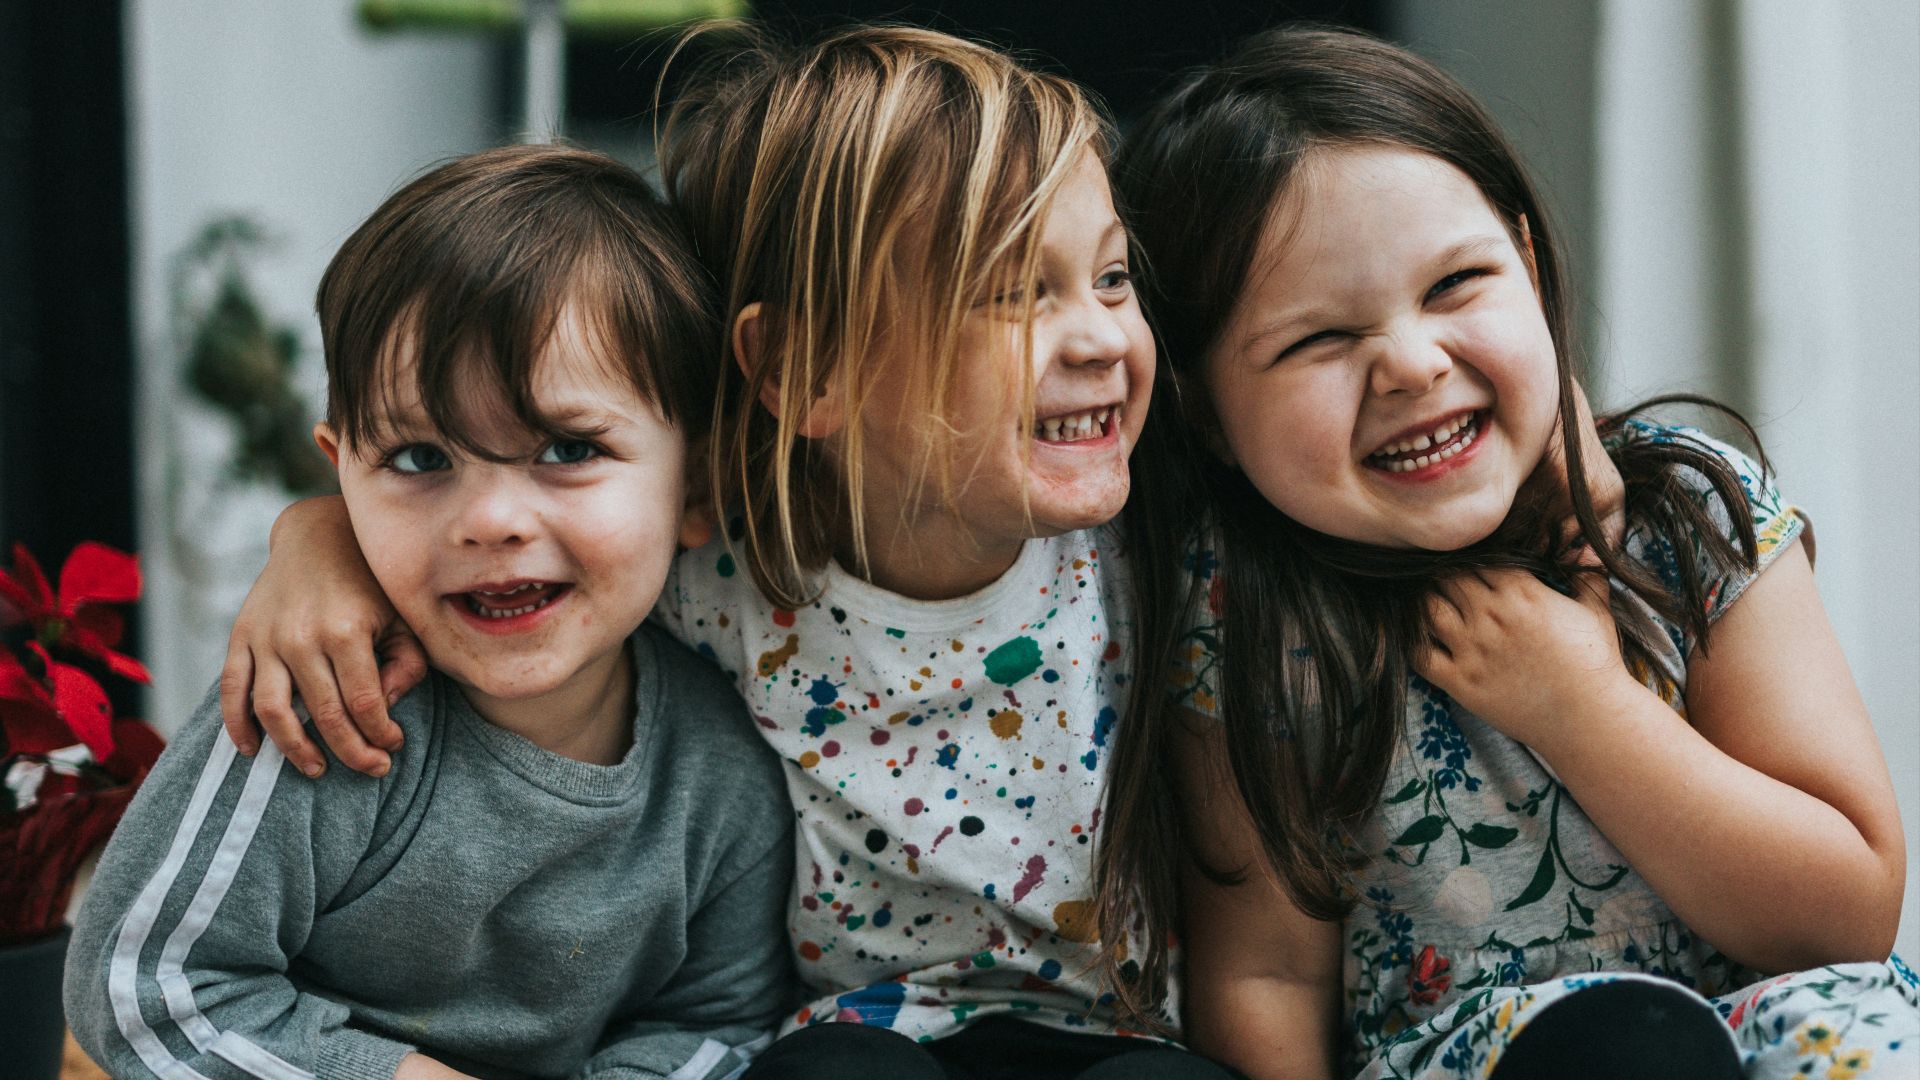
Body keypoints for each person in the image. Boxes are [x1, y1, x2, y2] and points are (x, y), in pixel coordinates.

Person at [210, 25, 1240, 1080]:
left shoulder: (1165, 550)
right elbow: (538, 530)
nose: (1100, 337)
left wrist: (313, 536)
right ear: (806, 369)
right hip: (858, 1035)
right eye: (1012, 292)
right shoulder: (720, 571)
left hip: (1119, 1036)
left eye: (1112, 277)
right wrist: (322, 539)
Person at [1097, 26, 1918, 1080]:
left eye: (1455, 285)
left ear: (1527, 266)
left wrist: (1584, 709)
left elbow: (1846, 917)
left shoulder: (1687, 516)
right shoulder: (1246, 620)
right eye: (1318, 340)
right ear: (1204, 410)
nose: (1411, 363)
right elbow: (1266, 980)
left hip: (1770, 1036)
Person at [65, 144, 795, 1080]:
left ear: (696, 485)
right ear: (341, 475)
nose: (490, 520)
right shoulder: (319, 710)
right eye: (419, 459)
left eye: (568, 449)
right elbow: (142, 988)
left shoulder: (724, 774)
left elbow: (719, 1025)